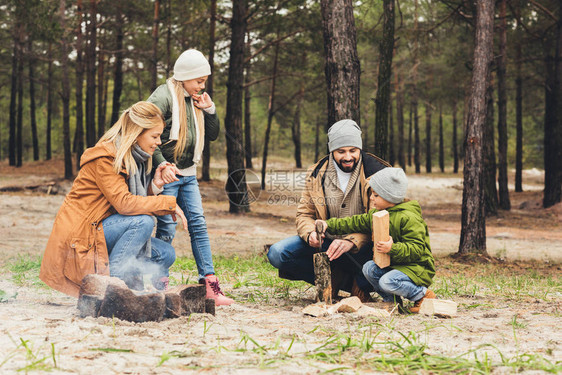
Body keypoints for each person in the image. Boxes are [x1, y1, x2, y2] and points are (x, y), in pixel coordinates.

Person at [40, 101, 188, 297]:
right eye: (155, 136)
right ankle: (115, 290)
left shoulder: (135, 158)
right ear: (136, 133)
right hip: (82, 236)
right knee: (142, 222)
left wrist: (155, 186)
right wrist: (168, 203)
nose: (159, 142)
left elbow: (128, 202)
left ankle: (130, 287)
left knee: (165, 254)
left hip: (101, 228)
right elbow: (125, 204)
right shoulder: (107, 158)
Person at [267, 119, 390, 301]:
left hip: (366, 247)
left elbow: (382, 220)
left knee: (390, 249)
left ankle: (361, 282)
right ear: (331, 150)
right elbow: (304, 214)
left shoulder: (379, 173)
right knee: (278, 253)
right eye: (341, 152)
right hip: (328, 245)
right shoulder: (316, 173)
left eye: (353, 151)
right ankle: (334, 279)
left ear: (360, 149)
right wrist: (310, 234)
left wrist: (351, 241)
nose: (348, 157)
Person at [146, 49, 233, 306]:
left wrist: (210, 109)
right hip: (169, 173)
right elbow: (145, 131)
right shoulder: (163, 96)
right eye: (199, 80)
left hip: (189, 173)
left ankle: (210, 286)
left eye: (205, 80)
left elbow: (214, 134)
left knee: (198, 224)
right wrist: (161, 164)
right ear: (184, 77)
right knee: (167, 226)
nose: (202, 85)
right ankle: (157, 282)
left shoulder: (197, 97)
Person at [316, 167, 436, 313]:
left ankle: (423, 296)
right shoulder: (378, 214)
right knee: (369, 268)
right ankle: (392, 302)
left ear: (389, 197)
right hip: (397, 265)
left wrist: (392, 249)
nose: (371, 198)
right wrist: (329, 225)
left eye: (376, 195)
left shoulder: (409, 218)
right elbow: (355, 222)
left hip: (416, 268)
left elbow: (417, 249)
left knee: (387, 281)